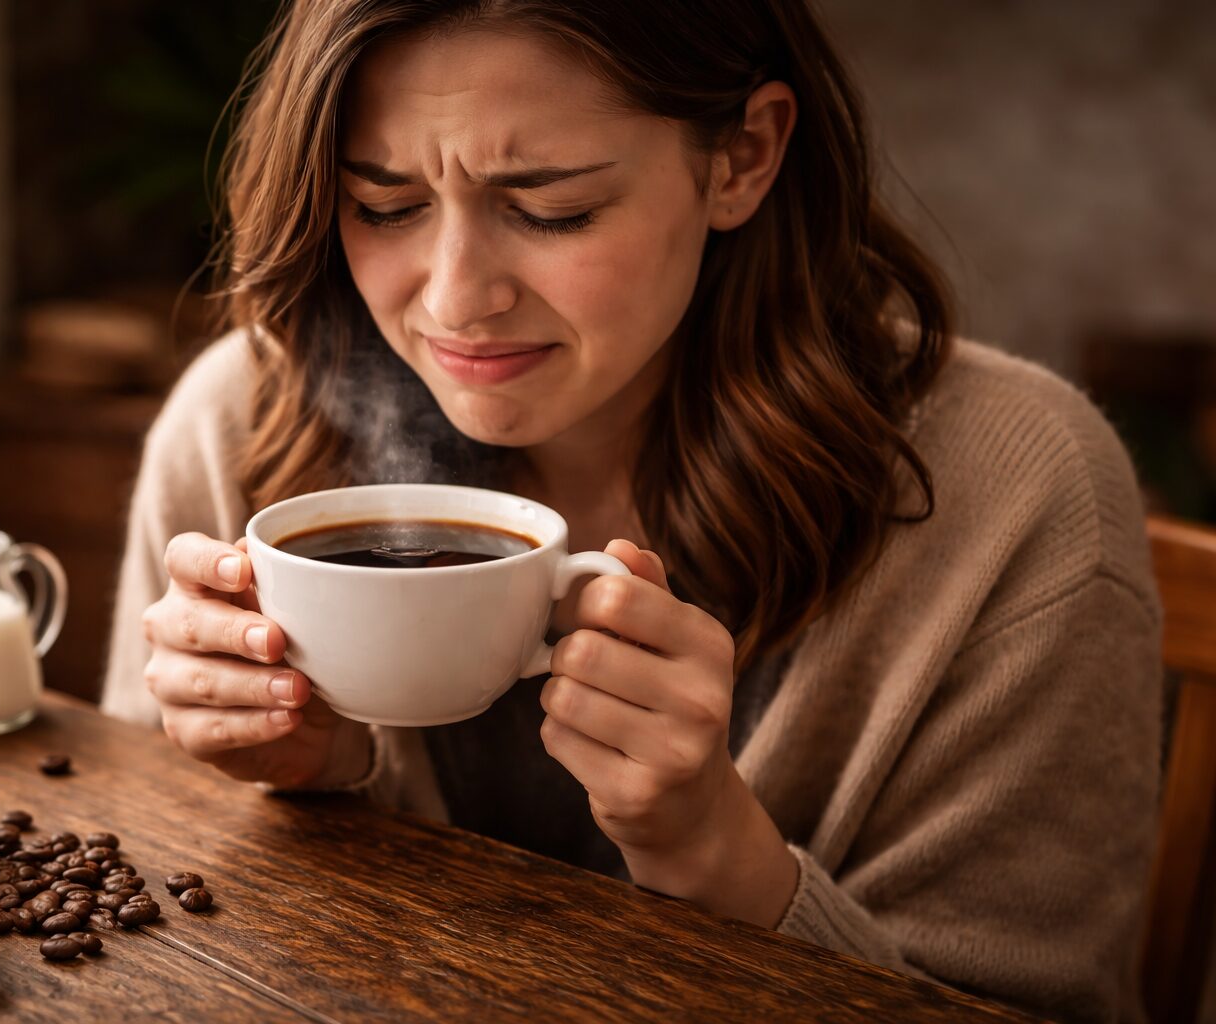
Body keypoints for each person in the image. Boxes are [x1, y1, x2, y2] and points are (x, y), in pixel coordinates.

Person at [102, 2, 1161, 1020]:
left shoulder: (1017, 494)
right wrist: (300, 781)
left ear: (742, 157)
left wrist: (718, 857)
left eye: (551, 206)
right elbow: (124, 914)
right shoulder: (244, 424)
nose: (456, 298)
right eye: (383, 205)